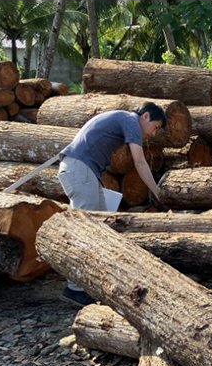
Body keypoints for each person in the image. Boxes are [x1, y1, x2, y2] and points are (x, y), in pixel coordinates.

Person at [57, 102, 167, 306]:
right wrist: (158, 193)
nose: (153, 134)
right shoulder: (131, 121)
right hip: (79, 171)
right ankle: (74, 289)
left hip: (83, 172)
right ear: (145, 116)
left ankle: (84, 285)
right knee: (86, 232)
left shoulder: (123, 119)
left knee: (98, 230)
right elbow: (140, 162)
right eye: (155, 127)